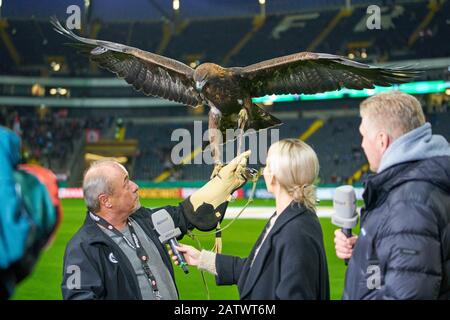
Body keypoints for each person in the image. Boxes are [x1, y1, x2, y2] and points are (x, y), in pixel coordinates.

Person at [61, 151, 251, 300]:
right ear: (106, 200)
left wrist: (222, 184)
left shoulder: (146, 219)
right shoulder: (83, 248)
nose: (135, 186)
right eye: (126, 183)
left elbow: (186, 213)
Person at [175, 139, 330, 300]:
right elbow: (258, 270)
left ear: (275, 178)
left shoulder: (296, 231)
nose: (264, 171)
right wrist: (202, 258)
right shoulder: (289, 218)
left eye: (268, 165)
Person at [334, 91, 450, 299]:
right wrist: (366, 251)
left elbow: (408, 293)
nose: (361, 144)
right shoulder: (417, 185)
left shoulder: (409, 202)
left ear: (381, 141)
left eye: (363, 135)